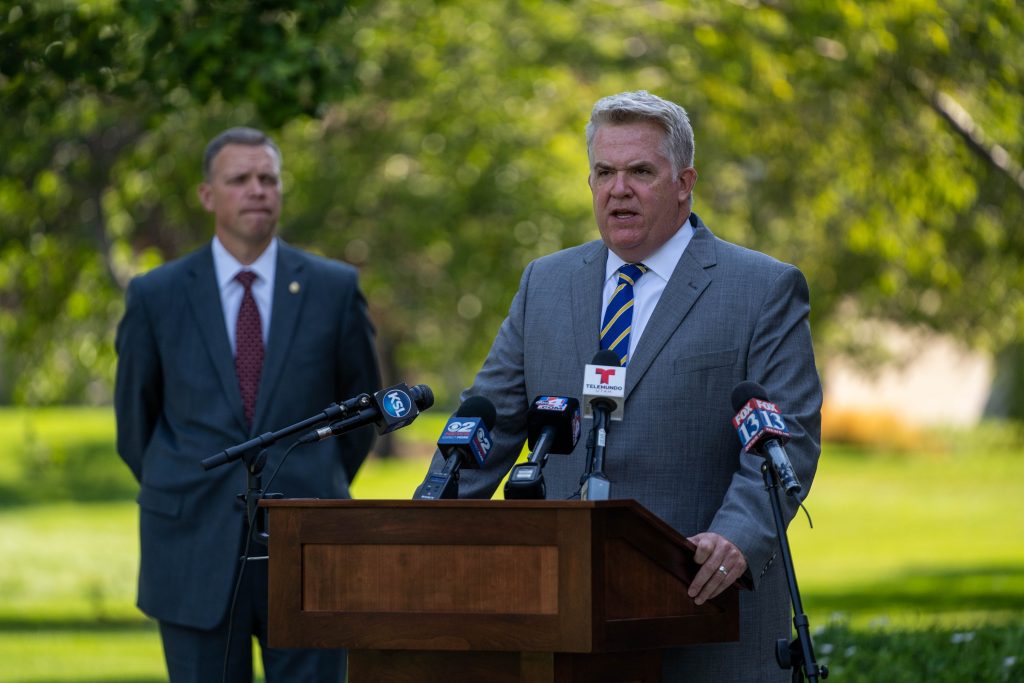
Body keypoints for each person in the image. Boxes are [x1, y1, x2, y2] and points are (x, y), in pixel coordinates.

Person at [418, 91, 822, 681]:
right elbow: (490, 426)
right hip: (562, 619)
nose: (619, 189)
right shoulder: (545, 283)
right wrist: (421, 528)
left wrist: (736, 538)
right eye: (604, 172)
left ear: (684, 183)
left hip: (704, 609)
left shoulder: (761, 288)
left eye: (641, 172)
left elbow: (789, 439)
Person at [115, 126, 381, 682]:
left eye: (268, 178)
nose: (257, 189)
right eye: (239, 179)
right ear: (207, 195)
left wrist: (312, 476)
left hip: (308, 545)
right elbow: (136, 424)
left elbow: (361, 415)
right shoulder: (156, 295)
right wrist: (184, 481)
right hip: (190, 545)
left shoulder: (333, 288)